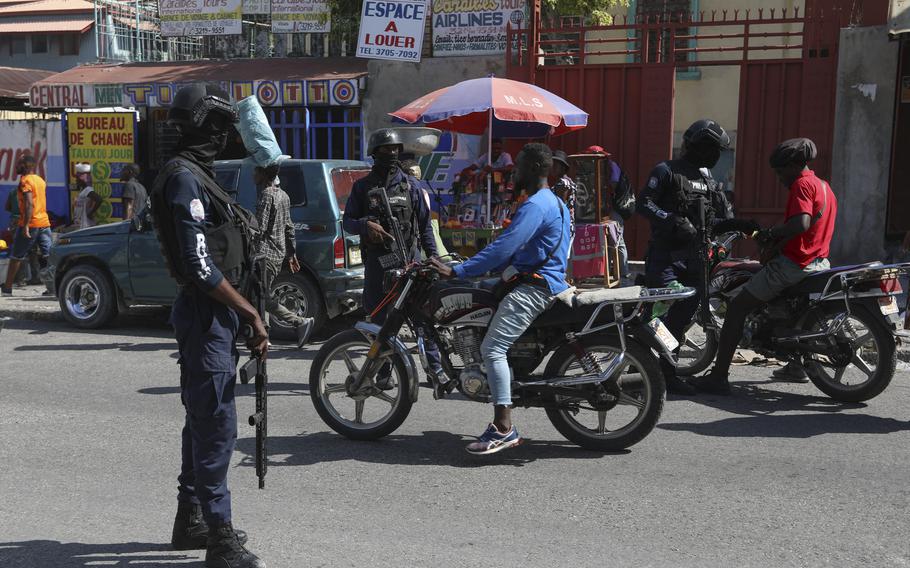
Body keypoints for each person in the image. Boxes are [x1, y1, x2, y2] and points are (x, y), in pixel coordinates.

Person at [149, 83, 266, 568]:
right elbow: (200, 267)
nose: (223, 139)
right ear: (202, 126)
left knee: (200, 420)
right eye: (218, 128)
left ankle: (190, 519)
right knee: (216, 425)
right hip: (206, 316)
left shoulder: (198, 176)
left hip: (214, 316)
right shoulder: (183, 180)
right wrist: (249, 312)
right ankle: (219, 539)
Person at [431, 143, 571, 455]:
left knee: (492, 348)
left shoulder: (535, 205)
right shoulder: (556, 203)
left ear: (534, 168)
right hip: (543, 279)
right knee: (483, 291)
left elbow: (505, 247)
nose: (514, 172)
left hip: (534, 286)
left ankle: (503, 427)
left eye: (519, 166)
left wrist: (459, 270)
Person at [694, 138, 836, 395]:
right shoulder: (823, 186)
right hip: (819, 262)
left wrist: (770, 234)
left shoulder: (802, 185)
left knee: (737, 307)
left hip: (795, 264)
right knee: (789, 310)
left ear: (794, 165)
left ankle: (718, 377)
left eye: (781, 171)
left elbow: (801, 224)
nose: (780, 178)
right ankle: (797, 366)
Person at [636, 119, 738, 396]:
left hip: (695, 262)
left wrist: (740, 226)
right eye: (714, 149)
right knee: (661, 311)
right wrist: (671, 220)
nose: (717, 156)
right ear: (700, 146)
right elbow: (643, 203)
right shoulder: (666, 170)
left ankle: (666, 373)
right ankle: (639, 359)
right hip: (665, 258)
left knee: (679, 321)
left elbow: (719, 218)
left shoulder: (708, 180)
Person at [342, 129, 445, 389]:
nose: (391, 154)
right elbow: (348, 223)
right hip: (378, 267)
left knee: (423, 319)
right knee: (380, 323)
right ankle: (384, 374)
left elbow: (424, 229)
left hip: (411, 265)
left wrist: (433, 258)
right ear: (374, 154)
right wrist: (366, 225)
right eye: (386, 150)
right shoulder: (362, 187)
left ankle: (437, 372)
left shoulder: (412, 186)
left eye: (395, 150)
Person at [252, 164, 314, 348]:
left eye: (255, 172)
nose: (252, 175)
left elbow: (259, 229)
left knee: (261, 296)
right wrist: (291, 253)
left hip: (264, 254)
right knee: (261, 293)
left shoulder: (266, 195)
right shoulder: (284, 195)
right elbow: (289, 227)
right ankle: (263, 334)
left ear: (263, 174)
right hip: (277, 254)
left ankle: (299, 321)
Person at [1, 154, 52, 297]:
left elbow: (30, 203)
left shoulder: (25, 181)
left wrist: (26, 226)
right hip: (44, 223)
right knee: (47, 256)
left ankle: (7, 287)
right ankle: (52, 288)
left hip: (31, 223)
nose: (16, 166)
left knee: (16, 256)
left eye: (18, 164)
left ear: (26, 165)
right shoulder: (40, 180)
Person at [586, 145, 634, 284]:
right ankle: (608, 270)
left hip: (614, 209)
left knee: (617, 241)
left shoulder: (610, 166)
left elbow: (611, 185)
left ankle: (623, 273)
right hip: (607, 209)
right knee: (608, 241)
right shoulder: (603, 167)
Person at [551, 150, 577, 239]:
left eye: (555, 165)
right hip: (568, 224)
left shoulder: (563, 183)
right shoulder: (568, 181)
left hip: (562, 227)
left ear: (563, 168)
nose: (552, 168)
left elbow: (560, 206)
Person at [72, 163, 101, 229]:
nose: (76, 180)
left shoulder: (88, 190)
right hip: (82, 225)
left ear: (83, 180)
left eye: (77, 179)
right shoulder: (83, 191)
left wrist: (91, 213)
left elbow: (99, 199)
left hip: (86, 225)